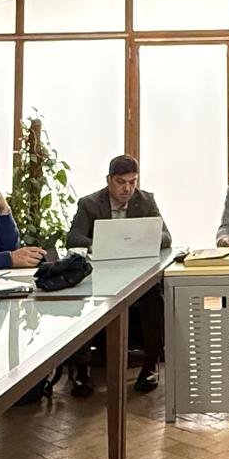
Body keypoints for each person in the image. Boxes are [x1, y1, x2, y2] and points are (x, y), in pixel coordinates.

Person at [63, 155, 171, 396]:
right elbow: (73, 239)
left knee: (154, 295)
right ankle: (82, 369)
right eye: (121, 182)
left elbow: (166, 237)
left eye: (132, 182)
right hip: (99, 273)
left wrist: (140, 241)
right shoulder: (90, 204)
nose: (127, 189)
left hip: (137, 274)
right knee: (79, 300)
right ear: (109, 180)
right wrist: (102, 243)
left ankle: (151, 363)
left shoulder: (145, 201)